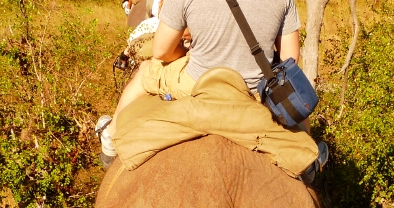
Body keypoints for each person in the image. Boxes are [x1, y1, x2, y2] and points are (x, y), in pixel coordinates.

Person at [96, 0, 327, 180]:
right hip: (253, 92)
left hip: (195, 82)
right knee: (292, 95)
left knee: (146, 71)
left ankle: (110, 138)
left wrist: (186, 54)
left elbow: (161, 51)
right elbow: (289, 60)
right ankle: (308, 154)